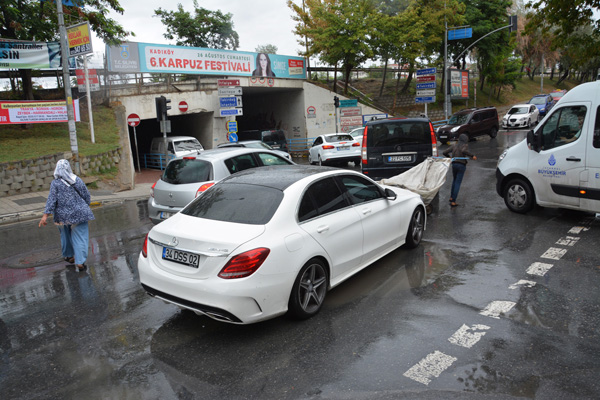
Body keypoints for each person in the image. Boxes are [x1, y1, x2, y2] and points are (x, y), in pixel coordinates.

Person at [39, 159, 95, 271]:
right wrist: (84, 206)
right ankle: (80, 262)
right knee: (80, 237)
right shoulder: (76, 180)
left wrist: (45, 215)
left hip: (62, 216)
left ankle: (69, 256)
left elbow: (51, 200)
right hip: (80, 213)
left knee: (65, 235)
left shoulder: (55, 183)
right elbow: (86, 195)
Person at [443, 134, 477, 207]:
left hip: (454, 165)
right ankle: (453, 201)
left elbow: (444, 152)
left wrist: (449, 157)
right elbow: (464, 151)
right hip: (461, 165)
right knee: (458, 183)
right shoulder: (465, 146)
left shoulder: (454, 145)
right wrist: (472, 155)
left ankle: (451, 197)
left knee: (454, 181)